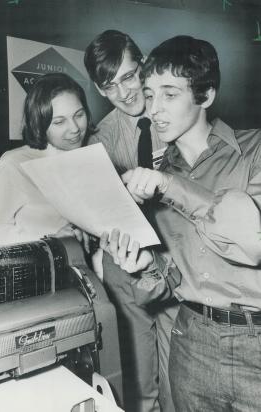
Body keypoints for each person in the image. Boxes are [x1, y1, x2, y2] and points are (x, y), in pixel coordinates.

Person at [101, 35, 261, 411]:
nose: (154, 109)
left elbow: (252, 243)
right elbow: (165, 286)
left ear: (205, 96)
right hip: (190, 344)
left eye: (169, 94)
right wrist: (145, 268)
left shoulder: (254, 152)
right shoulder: (157, 180)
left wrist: (172, 186)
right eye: (150, 95)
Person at [84, 30, 175, 412]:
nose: (123, 93)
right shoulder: (99, 141)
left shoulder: (173, 117)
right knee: (140, 386)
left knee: (177, 378)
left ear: (143, 65)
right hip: (126, 268)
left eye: (128, 76)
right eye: (109, 86)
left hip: (175, 263)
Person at [0, 73, 95, 247]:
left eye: (79, 115)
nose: (75, 128)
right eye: (59, 122)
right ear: (39, 124)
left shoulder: (87, 157)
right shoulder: (13, 164)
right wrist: (49, 241)